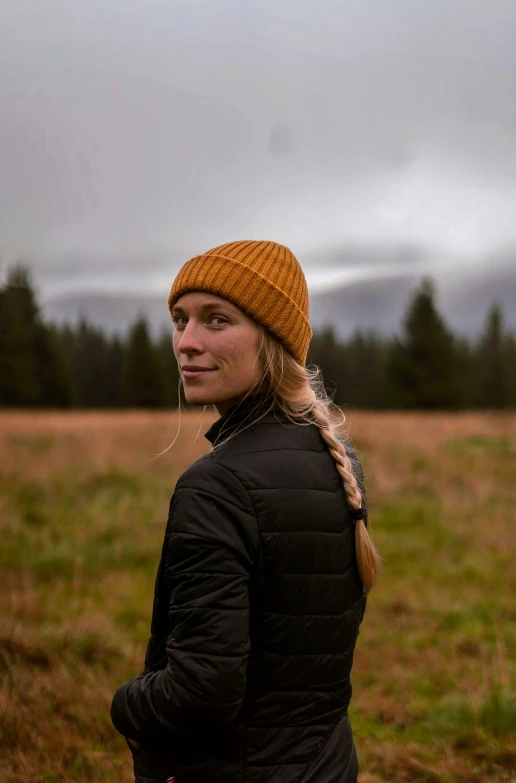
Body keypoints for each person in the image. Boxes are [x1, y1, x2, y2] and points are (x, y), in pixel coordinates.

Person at [110, 240, 380, 783]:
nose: (186, 343)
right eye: (179, 320)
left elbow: (201, 689)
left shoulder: (216, 487)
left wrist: (126, 706)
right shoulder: (338, 460)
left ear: (274, 338)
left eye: (216, 320)